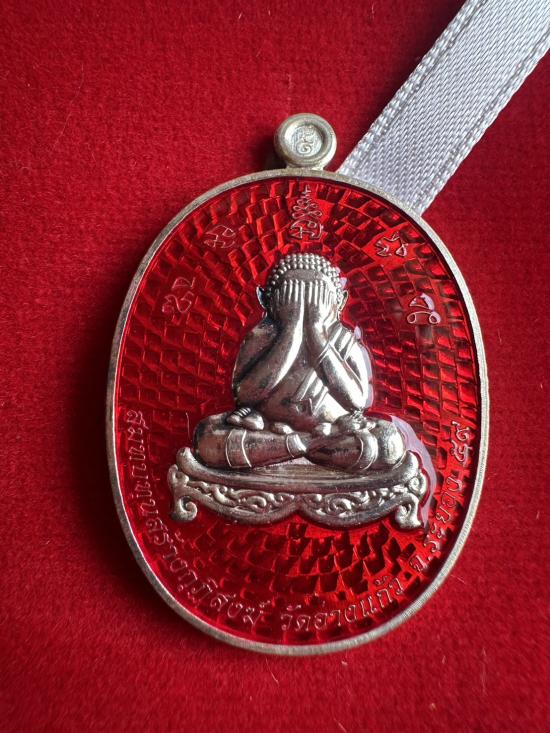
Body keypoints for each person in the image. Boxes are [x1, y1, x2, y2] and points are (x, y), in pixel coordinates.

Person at [194, 253, 406, 473]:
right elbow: (245, 395)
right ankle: (304, 446)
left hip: (334, 433)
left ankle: (295, 448)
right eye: (291, 295)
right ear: (266, 300)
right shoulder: (262, 336)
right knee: (209, 436)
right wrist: (291, 330)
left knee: (389, 442)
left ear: (340, 301)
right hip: (269, 430)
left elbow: (357, 401)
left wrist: (316, 331)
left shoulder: (343, 339)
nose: (305, 304)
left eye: (318, 295)